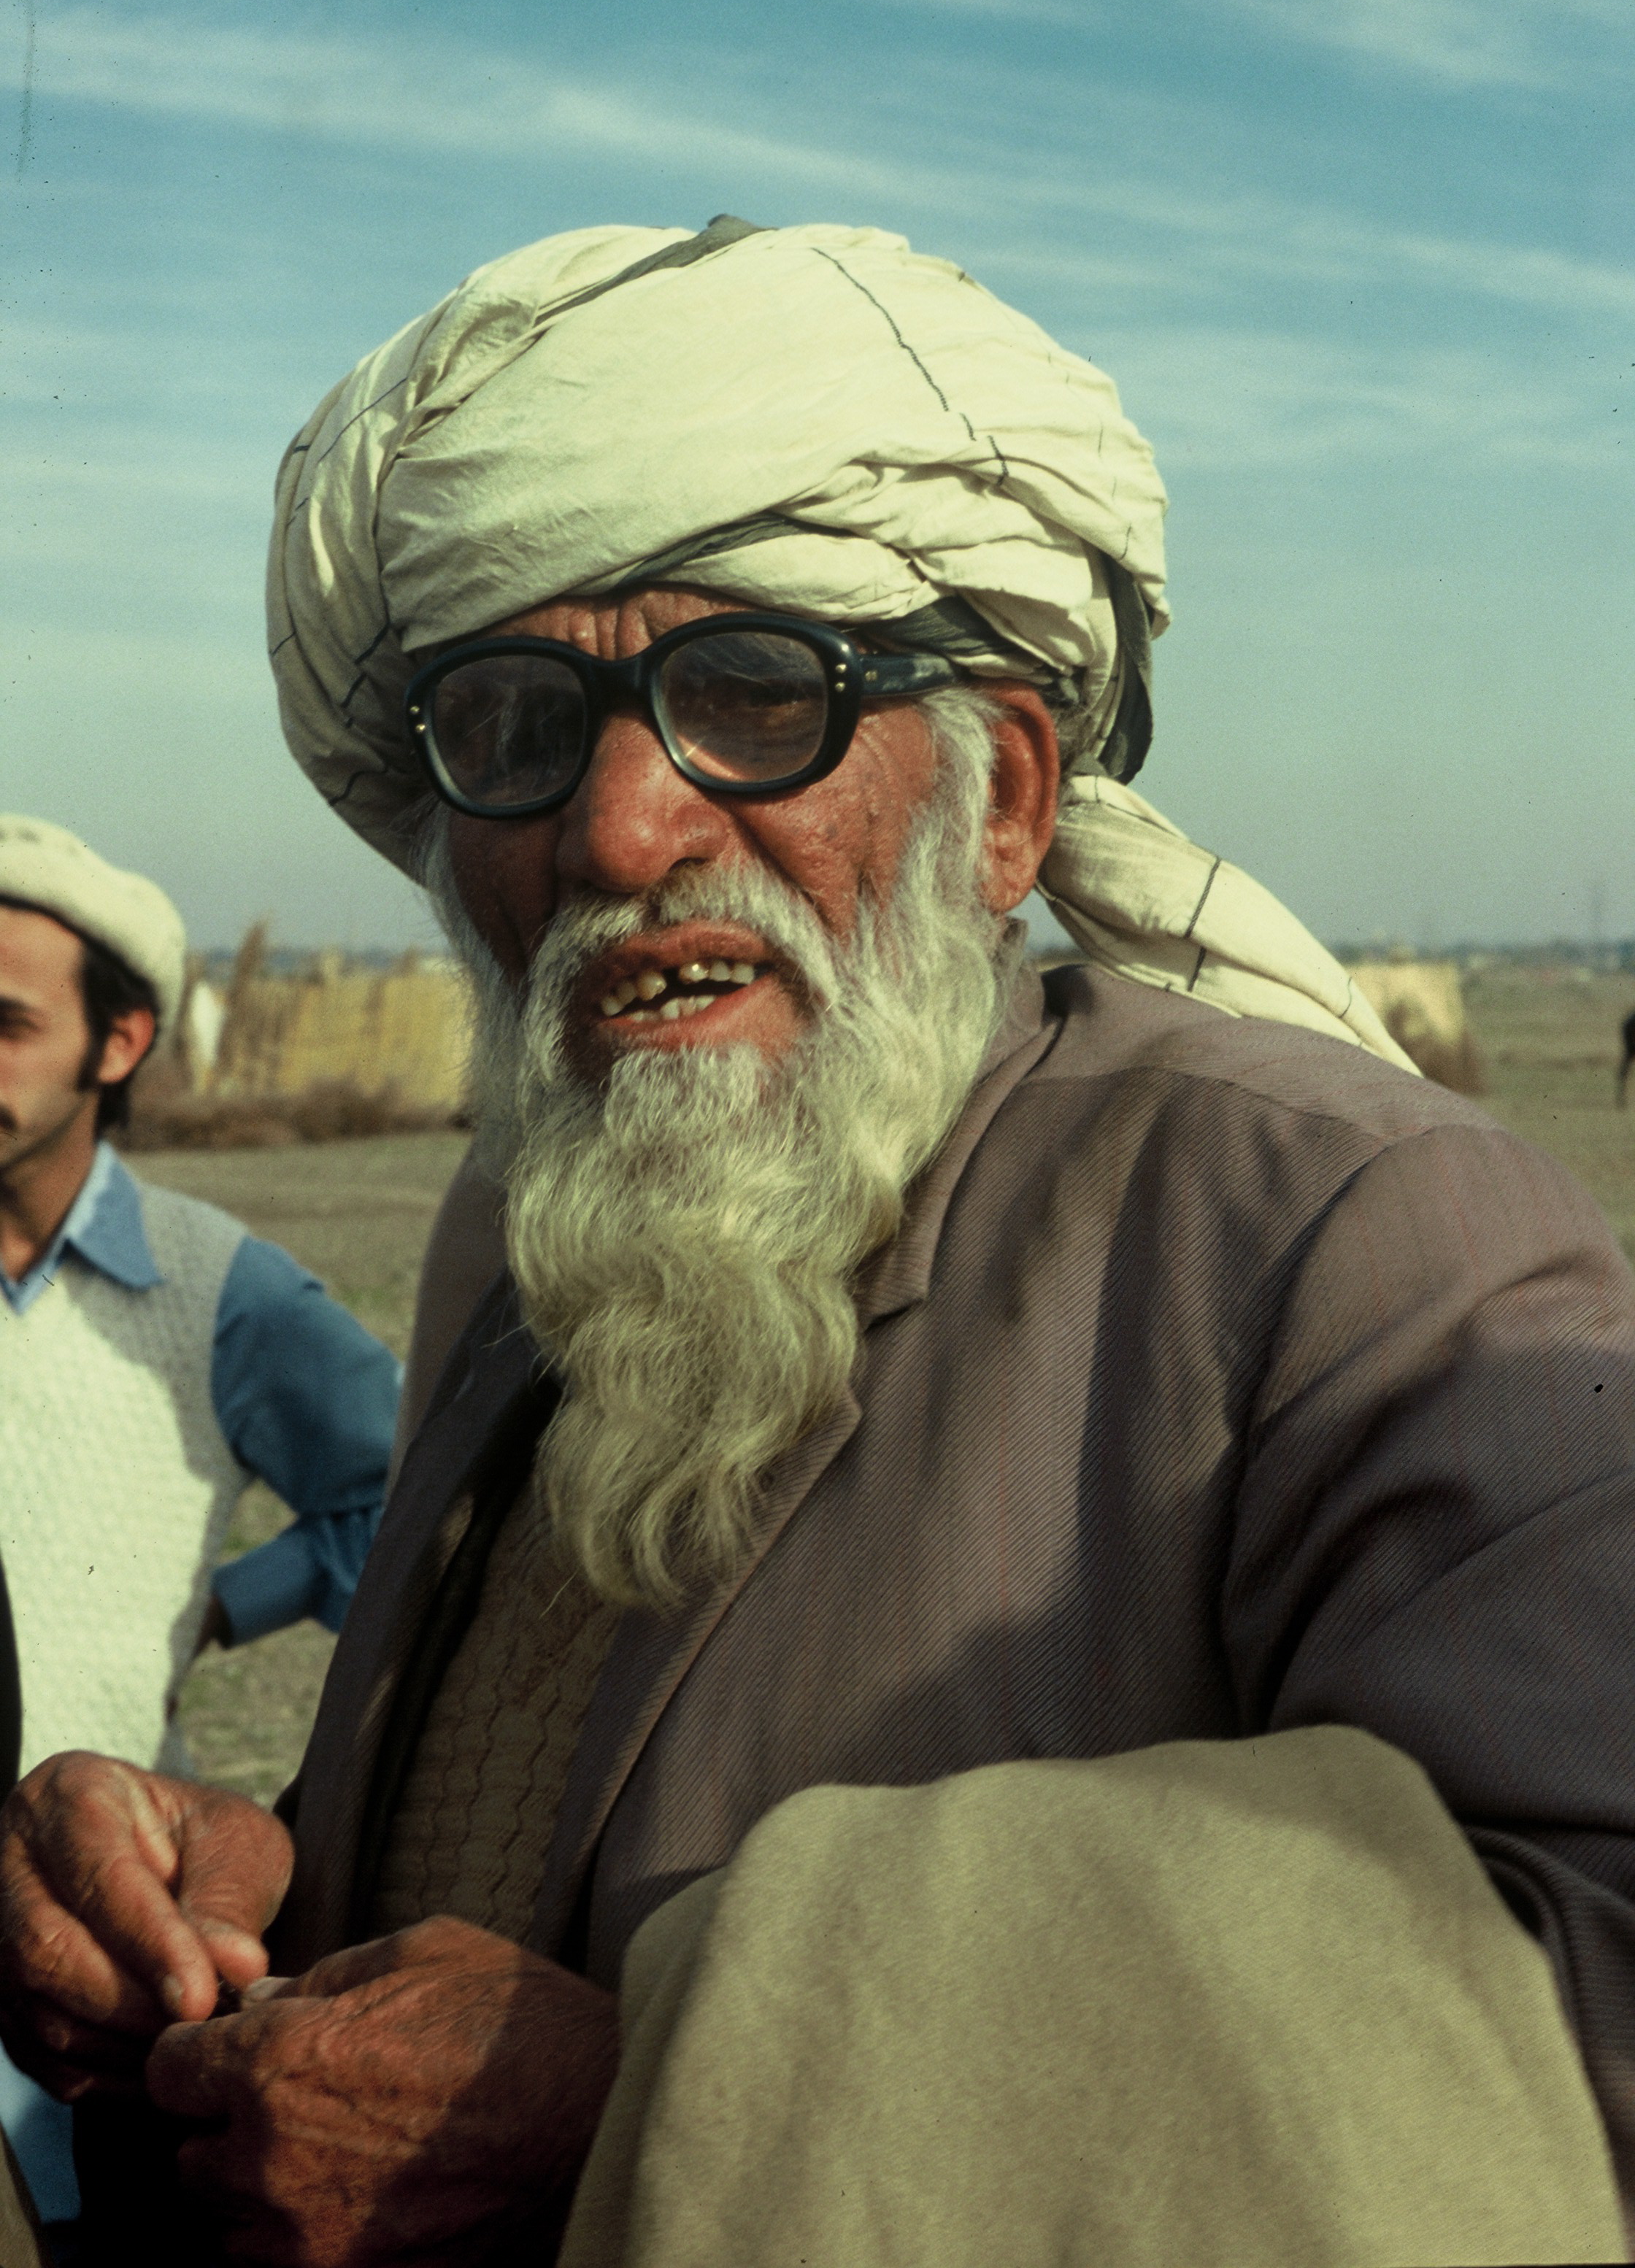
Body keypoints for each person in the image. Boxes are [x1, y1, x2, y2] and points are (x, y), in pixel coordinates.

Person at [0, 220, 1632, 2268]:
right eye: (511, 726)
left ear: (1009, 799)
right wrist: (242, 1907)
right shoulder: (532, 1233)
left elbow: (1592, 2003)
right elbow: (525, 1870)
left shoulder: (1345, 1233)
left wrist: (655, 2101)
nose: (616, 833)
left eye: (753, 697)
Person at [0, 817, 400, 2231]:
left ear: (120, 1043)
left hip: (78, 1968)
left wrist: (226, 1601)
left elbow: (399, 1503)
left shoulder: (212, 1287)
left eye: (5, 1022)